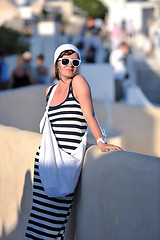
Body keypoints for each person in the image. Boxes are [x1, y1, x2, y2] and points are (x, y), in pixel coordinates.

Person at [25, 43, 122, 240]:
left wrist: (101, 142)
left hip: (66, 164)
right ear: (57, 64)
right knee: (37, 221)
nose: (71, 65)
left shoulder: (78, 82)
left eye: (75, 61)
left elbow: (89, 115)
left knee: (54, 225)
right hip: (44, 162)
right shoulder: (49, 92)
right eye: (65, 61)